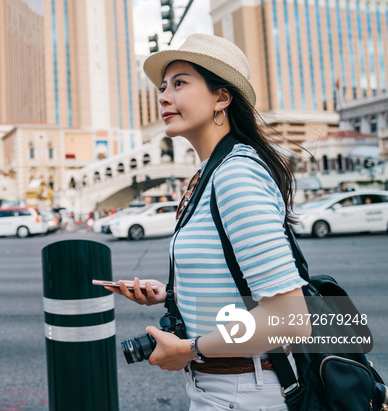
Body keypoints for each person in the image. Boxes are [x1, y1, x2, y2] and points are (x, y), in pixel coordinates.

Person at [105, 34, 310, 410]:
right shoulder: (209, 174)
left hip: (245, 392)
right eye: (163, 87)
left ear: (222, 97)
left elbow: (289, 319)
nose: (164, 96)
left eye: (179, 83)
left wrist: (189, 348)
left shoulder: (235, 175)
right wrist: (172, 295)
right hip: (220, 390)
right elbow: (240, 286)